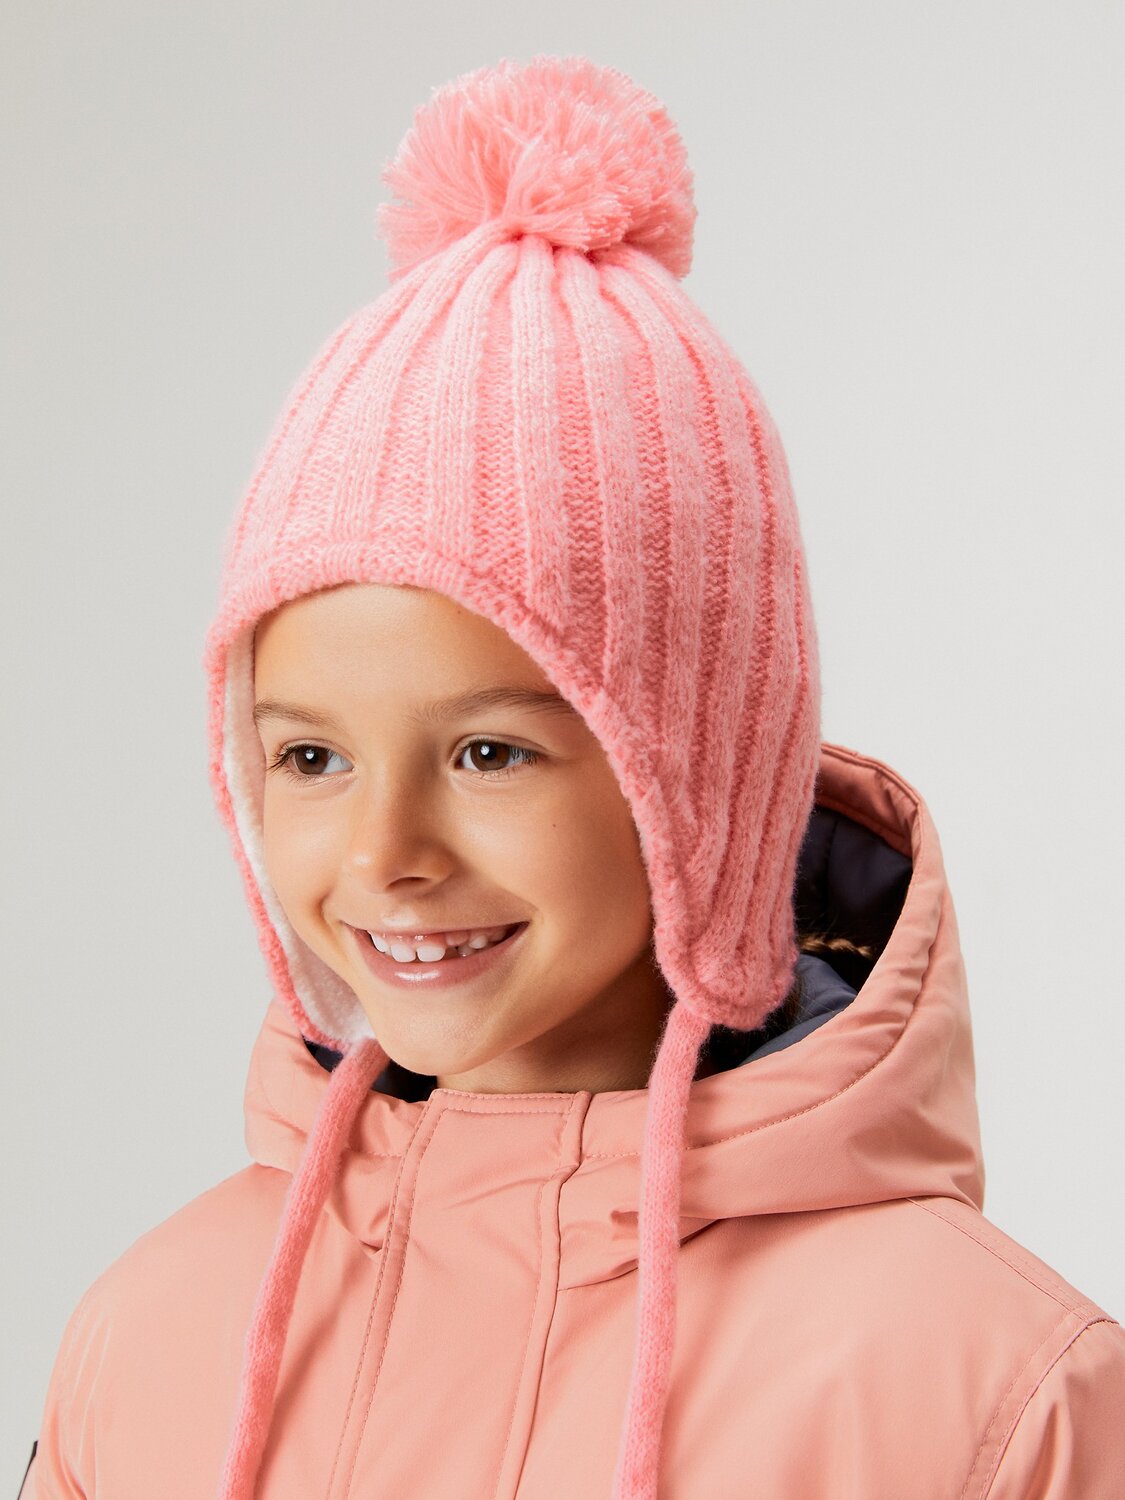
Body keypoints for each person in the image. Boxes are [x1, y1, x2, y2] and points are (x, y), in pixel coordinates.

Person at [23, 53, 1125, 1500]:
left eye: (488, 752)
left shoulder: (986, 1390)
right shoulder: (153, 1340)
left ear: (697, 777)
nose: (383, 852)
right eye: (309, 756)